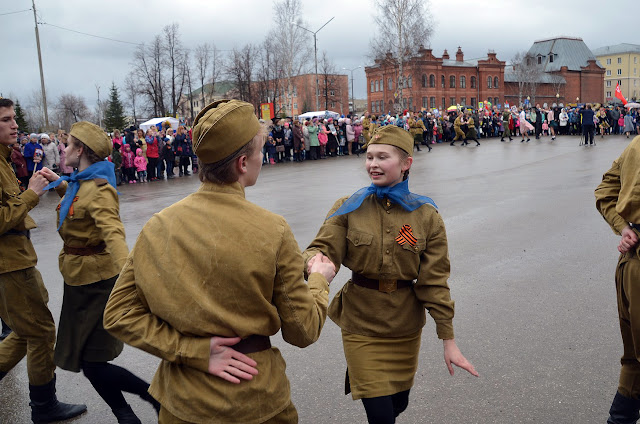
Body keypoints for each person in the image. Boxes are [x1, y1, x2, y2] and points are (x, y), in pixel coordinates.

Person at [103, 99, 336, 423]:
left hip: (182, 403)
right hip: (255, 402)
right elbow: (303, 330)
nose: (261, 157)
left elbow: (118, 313)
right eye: (259, 150)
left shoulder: (158, 225)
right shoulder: (273, 229)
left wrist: (192, 352)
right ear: (243, 163)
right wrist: (319, 280)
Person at [303, 125, 478, 424]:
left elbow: (434, 281)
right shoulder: (348, 207)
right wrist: (312, 264)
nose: (372, 164)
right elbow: (320, 248)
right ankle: (363, 373)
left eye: (382, 157)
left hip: (404, 326)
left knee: (399, 402)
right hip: (361, 322)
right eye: (369, 157)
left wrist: (448, 338)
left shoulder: (426, 215)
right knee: (381, 415)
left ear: (406, 163)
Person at [39, 121, 158, 423]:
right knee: (87, 360)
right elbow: (80, 200)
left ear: (80, 151)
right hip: (79, 282)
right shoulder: (82, 182)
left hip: (98, 284)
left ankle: (152, 397)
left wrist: (131, 279)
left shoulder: (100, 190)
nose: (63, 149)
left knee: (92, 361)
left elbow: (114, 235)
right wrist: (59, 183)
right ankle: (128, 413)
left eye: (68, 144)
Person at [0, 98, 87, 422]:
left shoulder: (4, 160)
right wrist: (31, 194)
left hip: (16, 259)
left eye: (13, 118)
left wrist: (44, 186)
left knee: (25, 331)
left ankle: (44, 405)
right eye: (6, 119)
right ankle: (44, 407)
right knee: (40, 332)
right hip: (10, 265)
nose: (15, 124)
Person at [595, 134, 640, 423]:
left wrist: (624, 226)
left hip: (629, 267)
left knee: (634, 360)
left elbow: (605, 189)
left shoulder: (636, 144)